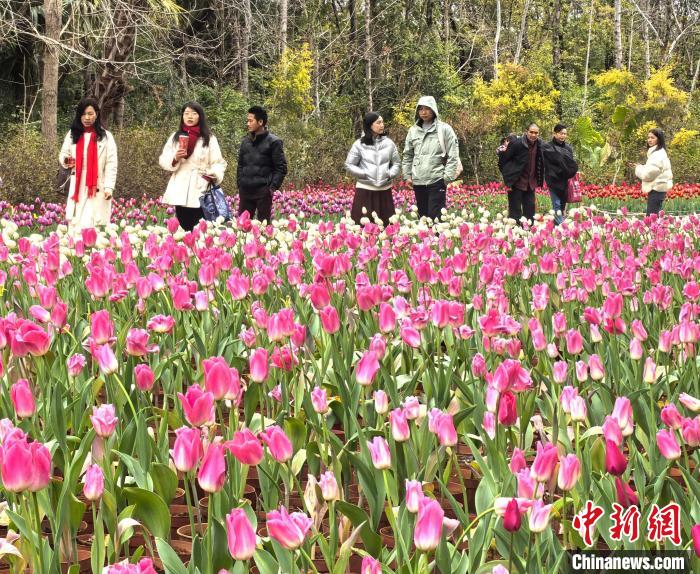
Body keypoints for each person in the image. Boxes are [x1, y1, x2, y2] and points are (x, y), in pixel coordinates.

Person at [159, 102, 227, 231]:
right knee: (184, 224)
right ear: (182, 116)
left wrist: (213, 174)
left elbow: (219, 162)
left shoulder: (209, 138)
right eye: (186, 113)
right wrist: (175, 158)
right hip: (181, 186)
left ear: (200, 116)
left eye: (194, 113)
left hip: (201, 185)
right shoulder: (175, 137)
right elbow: (163, 160)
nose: (189, 117)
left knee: (201, 226)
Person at [59, 97, 118, 232]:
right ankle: (76, 250)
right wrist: (66, 161)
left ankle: (91, 250)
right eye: (84, 114)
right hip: (77, 183)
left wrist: (109, 187)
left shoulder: (106, 137)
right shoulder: (73, 134)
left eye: (90, 114)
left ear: (96, 114)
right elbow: (63, 154)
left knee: (92, 223)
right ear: (79, 116)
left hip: (96, 185)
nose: (87, 117)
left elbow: (111, 164)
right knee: (76, 223)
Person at [402, 96, 460, 221]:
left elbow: (453, 154)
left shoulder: (444, 129)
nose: (423, 112)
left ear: (434, 110)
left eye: (427, 109)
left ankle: (438, 240)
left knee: (436, 217)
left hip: (437, 179)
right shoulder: (413, 131)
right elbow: (407, 156)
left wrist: (447, 178)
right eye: (421, 109)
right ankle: (425, 241)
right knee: (422, 217)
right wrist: (407, 176)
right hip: (418, 180)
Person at [344, 112, 400, 226]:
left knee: (387, 229)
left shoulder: (389, 144)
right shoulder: (359, 144)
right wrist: (364, 173)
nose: (382, 125)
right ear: (370, 125)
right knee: (361, 228)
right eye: (378, 122)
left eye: (382, 122)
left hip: (384, 191)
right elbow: (349, 164)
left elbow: (397, 163)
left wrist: (389, 174)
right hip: (365, 190)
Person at [236, 106, 288, 223]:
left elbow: (281, 168)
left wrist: (271, 188)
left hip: (263, 192)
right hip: (245, 191)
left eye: (250, 121)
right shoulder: (245, 142)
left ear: (260, 122)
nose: (247, 124)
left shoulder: (274, 142)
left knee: (263, 228)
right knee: (242, 228)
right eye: (247, 121)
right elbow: (240, 165)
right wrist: (240, 184)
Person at [497, 123, 545, 225]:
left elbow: (543, 161)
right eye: (531, 132)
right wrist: (507, 178)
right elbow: (504, 159)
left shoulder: (540, 144)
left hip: (530, 183)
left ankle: (528, 236)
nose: (533, 135)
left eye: (536, 133)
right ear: (526, 131)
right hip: (516, 182)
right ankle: (515, 236)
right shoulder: (517, 143)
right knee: (515, 212)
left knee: (530, 212)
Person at [542, 123, 578, 225]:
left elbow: (571, 164)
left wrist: (570, 171)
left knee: (562, 205)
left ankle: (556, 225)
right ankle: (562, 227)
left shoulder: (568, 148)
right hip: (552, 180)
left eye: (565, 134)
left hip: (564, 180)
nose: (563, 136)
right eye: (561, 133)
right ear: (555, 133)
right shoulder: (547, 147)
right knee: (556, 204)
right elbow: (547, 163)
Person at [634, 128, 673, 217]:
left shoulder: (658, 154)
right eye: (648, 138)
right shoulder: (658, 153)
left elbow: (648, 175)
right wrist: (642, 166)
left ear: (659, 139)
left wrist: (638, 169)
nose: (649, 140)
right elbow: (654, 169)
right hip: (658, 189)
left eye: (652, 138)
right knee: (656, 218)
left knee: (652, 219)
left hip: (656, 190)